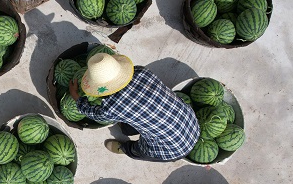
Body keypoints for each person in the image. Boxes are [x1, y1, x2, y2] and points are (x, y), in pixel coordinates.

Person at [69, 52, 200, 162]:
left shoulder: (112, 108)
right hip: (191, 122)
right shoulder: (141, 71)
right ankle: (127, 129)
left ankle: (126, 149)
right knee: (130, 123)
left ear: (98, 88)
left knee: (140, 151)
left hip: (172, 150)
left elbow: (93, 113)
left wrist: (76, 96)